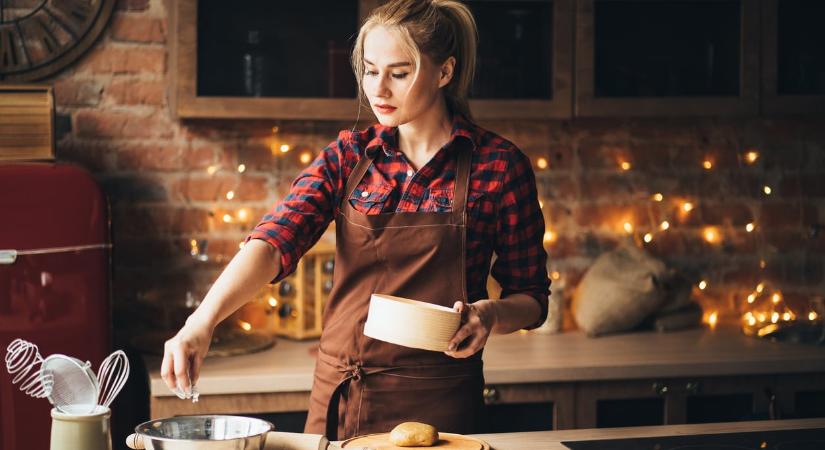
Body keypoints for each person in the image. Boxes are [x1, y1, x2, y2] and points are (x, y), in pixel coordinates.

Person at [161, 0, 550, 440]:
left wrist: (491, 315)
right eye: (369, 70)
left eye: (399, 73)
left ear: (445, 73)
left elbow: (532, 297)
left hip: (442, 403)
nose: (378, 89)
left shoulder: (498, 165)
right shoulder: (349, 156)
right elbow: (274, 241)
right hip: (342, 395)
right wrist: (201, 323)